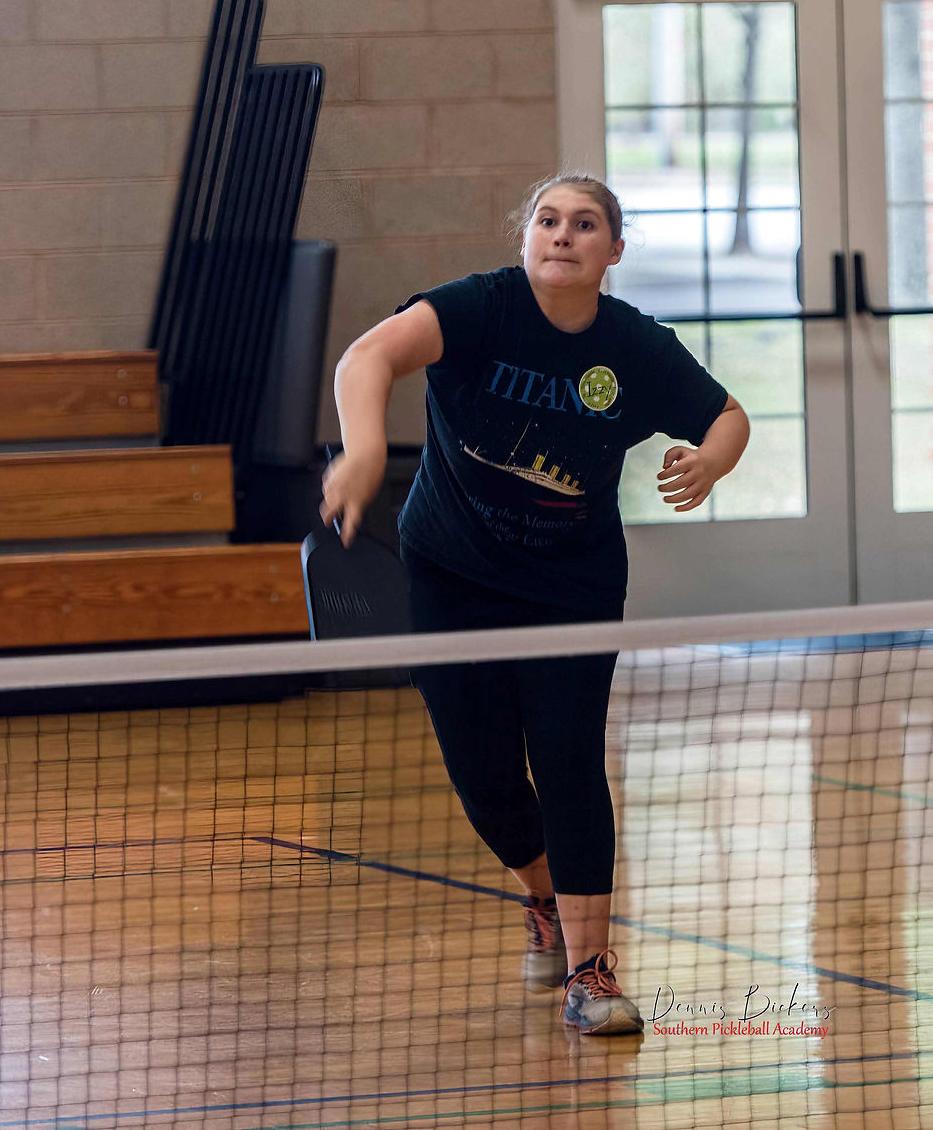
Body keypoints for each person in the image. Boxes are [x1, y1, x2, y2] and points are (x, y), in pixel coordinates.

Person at [320, 172, 750, 1035]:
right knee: (484, 778)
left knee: (568, 764)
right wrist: (365, 450)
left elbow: (726, 414)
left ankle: (590, 972)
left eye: (585, 225)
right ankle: (543, 898)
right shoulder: (479, 309)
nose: (563, 235)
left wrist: (711, 460)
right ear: (526, 241)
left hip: (572, 585)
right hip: (453, 573)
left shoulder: (634, 347)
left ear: (612, 251)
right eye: (548, 221)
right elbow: (367, 357)